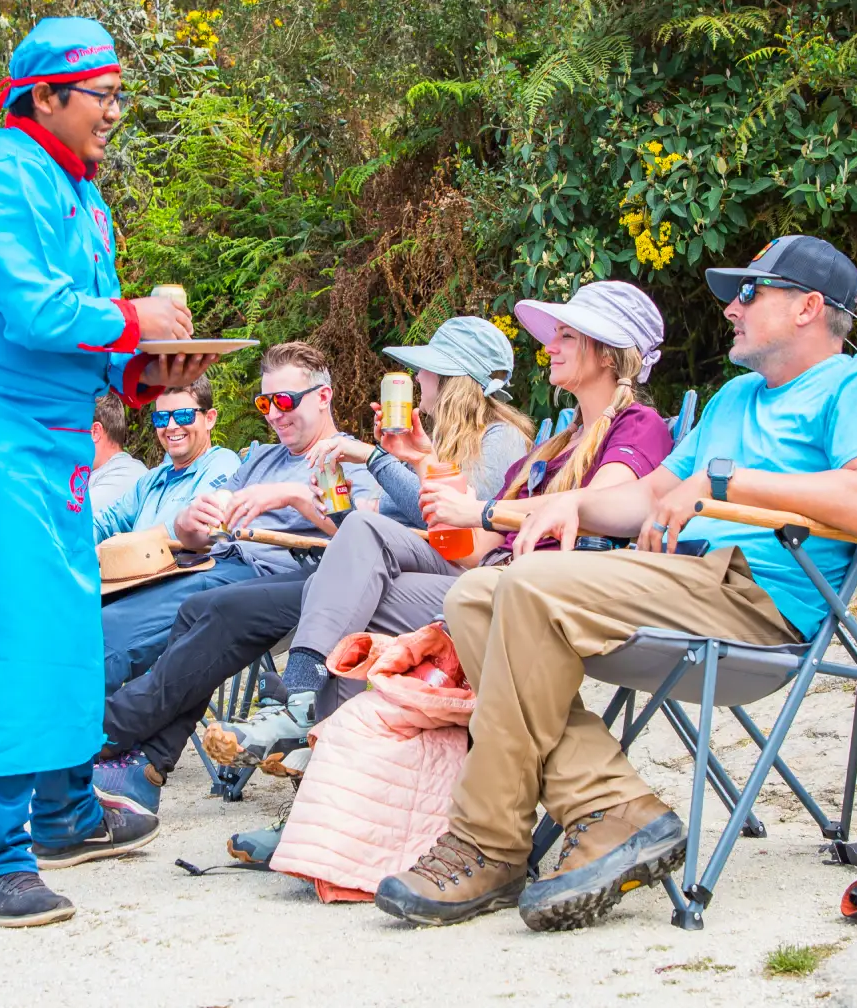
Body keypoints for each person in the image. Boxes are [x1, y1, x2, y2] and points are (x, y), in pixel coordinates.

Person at [373, 235, 857, 933]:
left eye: (749, 293)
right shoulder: (734, 399)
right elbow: (646, 499)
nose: (731, 309)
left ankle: (488, 843)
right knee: (475, 595)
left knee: (527, 584)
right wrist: (570, 503)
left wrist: (724, 484)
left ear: (810, 307)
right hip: (688, 580)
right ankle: (613, 807)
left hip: (763, 602)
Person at [0, 15, 213, 929]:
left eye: (117, 94)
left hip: (60, 434)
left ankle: (66, 813)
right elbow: (34, 312)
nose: (115, 111)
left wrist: (150, 374)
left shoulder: (86, 197)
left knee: (71, 617)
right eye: (102, 95)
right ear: (48, 95)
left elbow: (92, 339)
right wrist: (141, 318)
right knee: (14, 626)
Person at [207, 285, 672, 860]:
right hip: (487, 576)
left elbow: (595, 508)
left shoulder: (638, 428)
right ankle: (302, 714)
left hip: (542, 596)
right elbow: (474, 546)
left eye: (567, 335)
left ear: (608, 353)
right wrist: (424, 466)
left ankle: (317, 796)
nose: (550, 345)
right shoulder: (552, 447)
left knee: (361, 615)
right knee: (360, 541)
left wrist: (460, 499)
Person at [87, 340, 383, 809]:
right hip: (217, 564)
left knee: (211, 606)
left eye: (285, 401)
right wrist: (194, 519)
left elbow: (366, 532)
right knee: (193, 609)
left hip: (301, 577)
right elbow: (194, 530)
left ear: (323, 397)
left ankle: (106, 730)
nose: (274, 414)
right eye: (266, 402)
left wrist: (295, 497)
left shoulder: (343, 457)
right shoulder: (260, 458)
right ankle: (145, 765)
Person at [94, 377, 244, 691]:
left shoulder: (222, 465)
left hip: (179, 586)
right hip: (128, 586)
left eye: (184, 416)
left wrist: (117, 547)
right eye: (162, 418)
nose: (172, 426)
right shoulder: (151, 479)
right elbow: (103, 523)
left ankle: (93, 728)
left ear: (210, 418)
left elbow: (197, 531)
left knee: (93, 640)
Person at [89, 392, 148, 518]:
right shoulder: (110, 471)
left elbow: (69, 522)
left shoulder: (126, 474)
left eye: (75, 430)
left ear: (95, 432)